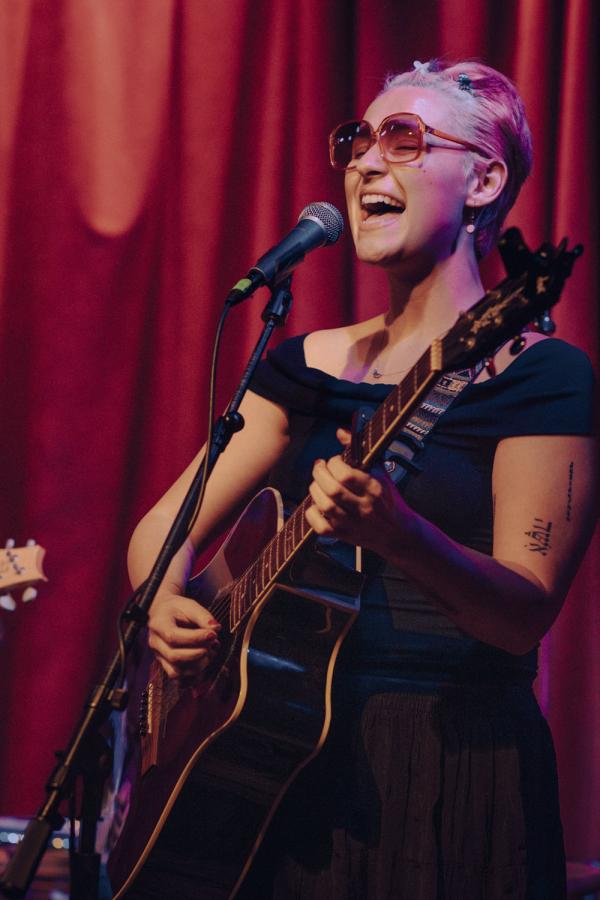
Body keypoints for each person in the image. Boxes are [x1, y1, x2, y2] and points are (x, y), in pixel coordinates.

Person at [124, 59, 597, 899]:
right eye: (358, 141)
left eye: (404, 139)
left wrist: (401, 536)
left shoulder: (542, 376)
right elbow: (167, 527)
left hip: (448, 761)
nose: (366, 163)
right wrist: (164, 604)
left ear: (485, 179)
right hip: (268, 767)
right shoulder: (302, 365)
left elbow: (525, 612)